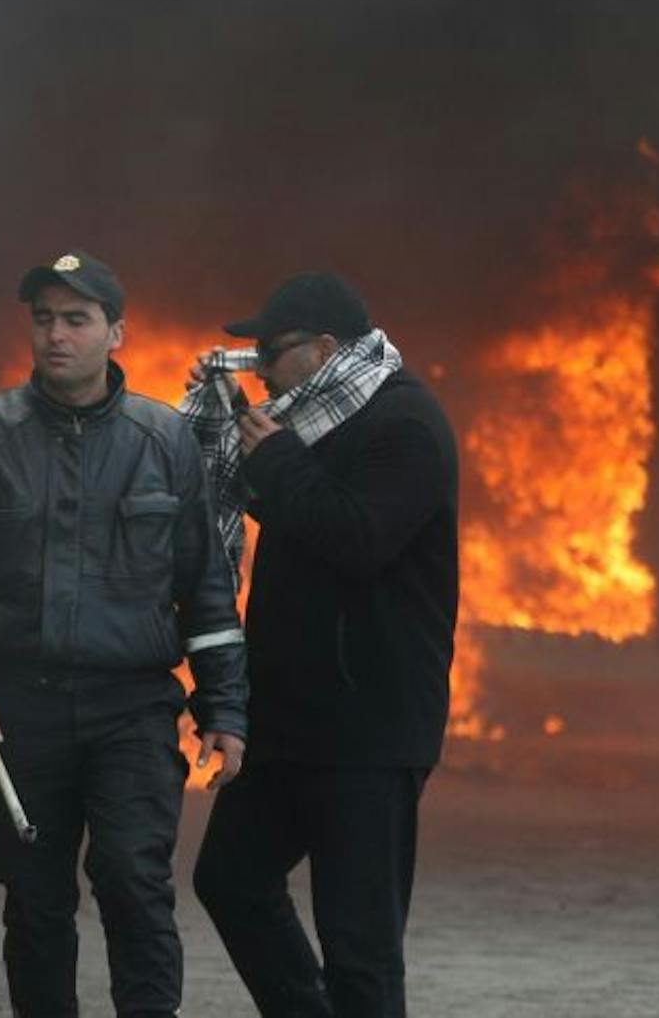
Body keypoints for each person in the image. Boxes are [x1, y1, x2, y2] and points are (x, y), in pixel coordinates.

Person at [0, 250, 248, 1018]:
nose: (55, 334)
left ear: (116, 332)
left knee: (134, 882)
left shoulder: (164, 441)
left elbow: (207, 590)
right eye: (43, 319)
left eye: (76, 319)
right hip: (18, 712)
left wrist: (224, 710)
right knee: (34, 903)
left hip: (130, 708)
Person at [184, 271, 459, 1018]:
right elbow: (295, 515)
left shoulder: (404, 423)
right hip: (291, 719)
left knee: (359, 948)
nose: (263, 369)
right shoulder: (310, 428)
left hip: (370, 731)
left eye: (274, 351)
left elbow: (357, 537)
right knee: (231, 879)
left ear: (329, 349)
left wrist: (273, 459)